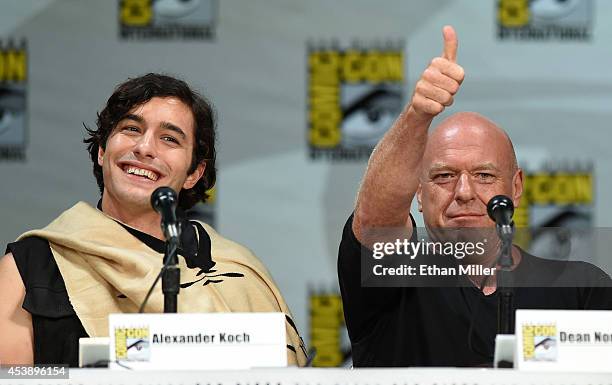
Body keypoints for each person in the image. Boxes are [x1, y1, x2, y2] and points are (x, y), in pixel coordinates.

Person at [338, 26, 612, 367]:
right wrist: (418, 114)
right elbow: (375, 222)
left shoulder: (580, 288)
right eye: (444, 176)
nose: (464, 193)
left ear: (515, 188)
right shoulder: (395, 281)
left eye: (484, 176)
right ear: (418, 195)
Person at [0, 73, 307, 367]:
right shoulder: (30, 265)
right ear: (102, 151)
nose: (144, 148)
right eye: (131, 129)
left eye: (170, 139)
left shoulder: (236, 270)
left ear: (193, 173)